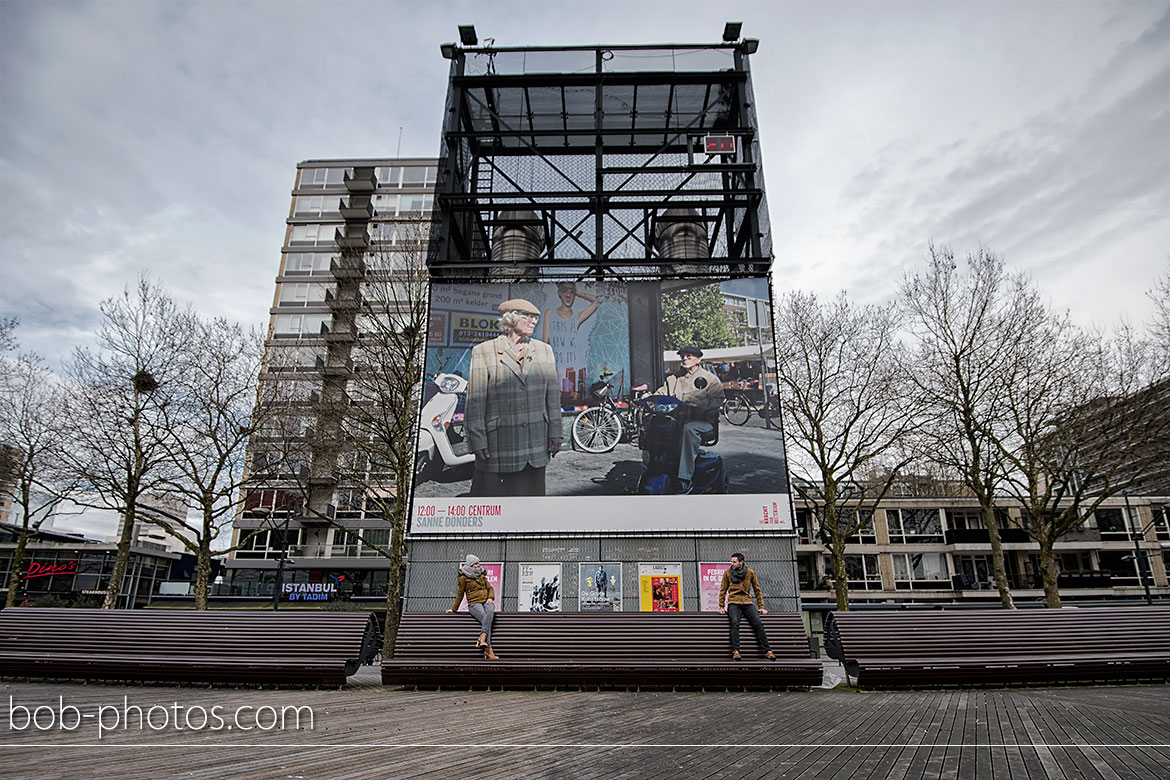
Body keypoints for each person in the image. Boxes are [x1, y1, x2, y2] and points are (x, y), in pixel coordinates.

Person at [466, 299, 563, 497]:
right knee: (494, 504)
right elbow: (475, 401)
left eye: (535, 318)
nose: (533, 321)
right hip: (499, 443)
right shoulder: (483, 351)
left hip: (535, 442)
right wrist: (478, 441)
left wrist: (555, 432)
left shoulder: (544, 350)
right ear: (510, 319)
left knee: (531, 505)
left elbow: (552, 396)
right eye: (526, 316)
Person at [654, 345, 725, 494]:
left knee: (690, 429)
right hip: (678, 421)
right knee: (656, 426)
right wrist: (647, 397)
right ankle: (655, 469)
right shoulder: (673, 378)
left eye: (689, 356)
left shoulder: (710, 379)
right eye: (682, 356)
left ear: (698, 359)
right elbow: (661, 393)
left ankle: (684, 479)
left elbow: (719, 400)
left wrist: (699, 404)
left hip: (704, 422)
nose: (685, 358)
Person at [542, 282, 602, 403]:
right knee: (555, 401)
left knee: (575, 402)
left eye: (571, 291)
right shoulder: (550, 313)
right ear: (559, 293)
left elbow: (597, 301)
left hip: (575, 367)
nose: (568, 293)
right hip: (557, 367)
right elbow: (545, 342)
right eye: (565, 290)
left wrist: (579, 292)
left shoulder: (577, 317)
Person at [718, 553, 775, 661]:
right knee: (735, 623)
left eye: (734, 562)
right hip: (733, 602)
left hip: (747, 602)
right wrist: (721, 606)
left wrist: (761, 606)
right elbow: (723, 590)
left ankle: (768, 651)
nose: (732, 564)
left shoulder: (750, 573)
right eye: (732, 561)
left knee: (758, 624)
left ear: (741, 562)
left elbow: (757, 590)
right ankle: (736, 651)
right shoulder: (727, 573)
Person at [446, 554, 499, 660]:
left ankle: (482, 637)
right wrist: (453, 608)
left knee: (490, 611)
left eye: (478, 563)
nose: (478, 565)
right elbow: (460, 594)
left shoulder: (481, 574)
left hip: (486, 601)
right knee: (486, 618)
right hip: (474, 604)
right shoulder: (463, 577)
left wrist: (490, 598)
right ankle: (488, 650)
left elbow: (490, 588)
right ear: (470, 564)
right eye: (475, 564)